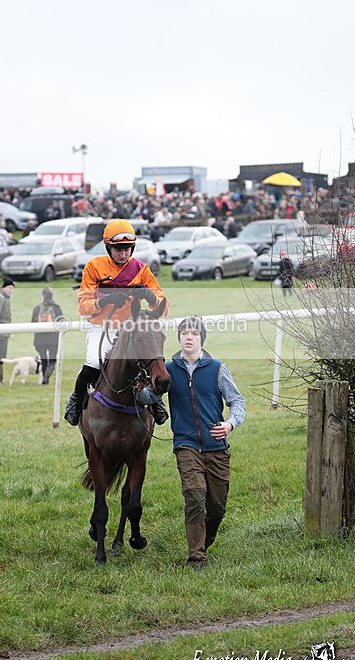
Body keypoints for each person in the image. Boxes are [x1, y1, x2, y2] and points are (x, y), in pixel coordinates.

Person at [64, 218, 169, 426]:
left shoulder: (142, 269)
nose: (123, 254)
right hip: (103, 328)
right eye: (118, 249)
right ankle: (76, 400)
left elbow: (164, 306)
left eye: (127, 249)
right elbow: (83, 305)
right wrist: (105, 300)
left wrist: (149, 296)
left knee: (149, 360)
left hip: (132, 329)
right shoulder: (94, 266)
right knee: (94, 362)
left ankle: (156, 401)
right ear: (108, 248)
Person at [166, 316, 246, 570]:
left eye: (193, 333)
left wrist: (230, 424)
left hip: (216, 446)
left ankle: (204, 540)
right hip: (186, 444)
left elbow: (237, 401)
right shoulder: (168, 370)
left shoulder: (217, 368)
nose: (188, 337)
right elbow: (150, 396)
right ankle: (197, 557)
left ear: (201, 338)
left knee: (217, 507)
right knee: (194, 495)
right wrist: (138, 390)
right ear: (179, 338)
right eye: (184, 333)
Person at [31, 287, 63, 385]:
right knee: (52, 360)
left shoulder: (37, 308)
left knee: (43, 359)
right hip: (53, 339)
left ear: (43, 295)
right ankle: (46, 378)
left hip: (40, 339)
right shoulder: (56, 308)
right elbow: (62, 322)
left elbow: (32, 323)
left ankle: (45, 379)